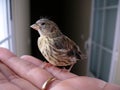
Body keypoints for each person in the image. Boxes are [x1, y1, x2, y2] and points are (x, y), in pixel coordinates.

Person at [0, 47, 120, 90]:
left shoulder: (57, 42)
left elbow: (73, 56)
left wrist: (67, 70)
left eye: (42, 25)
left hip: (70, 59)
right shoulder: (41, 42)